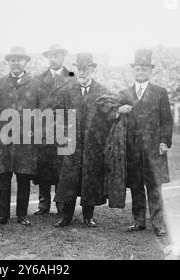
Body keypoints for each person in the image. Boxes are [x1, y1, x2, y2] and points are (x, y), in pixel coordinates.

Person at [54, 53, 120, 228]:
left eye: (86, 69)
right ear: (76, 69)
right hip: (71, 143)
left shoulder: (102, 91)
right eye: (80, 69)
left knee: (90, 179)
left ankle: (88, 216)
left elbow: (110, 115)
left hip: (93, 144)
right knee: (69, 179)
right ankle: (66, 216)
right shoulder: (66, 91)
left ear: (92, 70)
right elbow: (57, 115)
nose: (82, 72)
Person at [118, 49, 173, 237]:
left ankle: (158, 223)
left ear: (150, 71)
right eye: (138, 69)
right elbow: (112, 115)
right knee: (135, 185)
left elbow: (167, 119)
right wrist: (119, 109)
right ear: (133, 70)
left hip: (153, 148)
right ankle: (138, 221)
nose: (140, 72)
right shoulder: (124, 93)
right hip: (132, 148)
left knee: (154, 186)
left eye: (144, 69)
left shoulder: (160, 92)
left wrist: (165, 141)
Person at [0, 46, 43, 227]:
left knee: (23, 179)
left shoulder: (35, 84)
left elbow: (41, 113)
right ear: (8, 62)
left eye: (19, 59)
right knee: (3, 178)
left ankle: (22, 215)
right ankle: (3, 215)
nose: (16, 62)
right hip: (3, 139)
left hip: (26, 141)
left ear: (26, 62)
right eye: (12, 60)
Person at [33, 44, 71, 216]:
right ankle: (43, 203)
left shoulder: (72, 77)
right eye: (51, 56)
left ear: (63, 57)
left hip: (64, 128)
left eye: (58, 55)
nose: (54, 59)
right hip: (44, 128)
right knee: (43, 168)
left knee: (61, 168)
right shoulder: (38, 78)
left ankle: (61, 203)